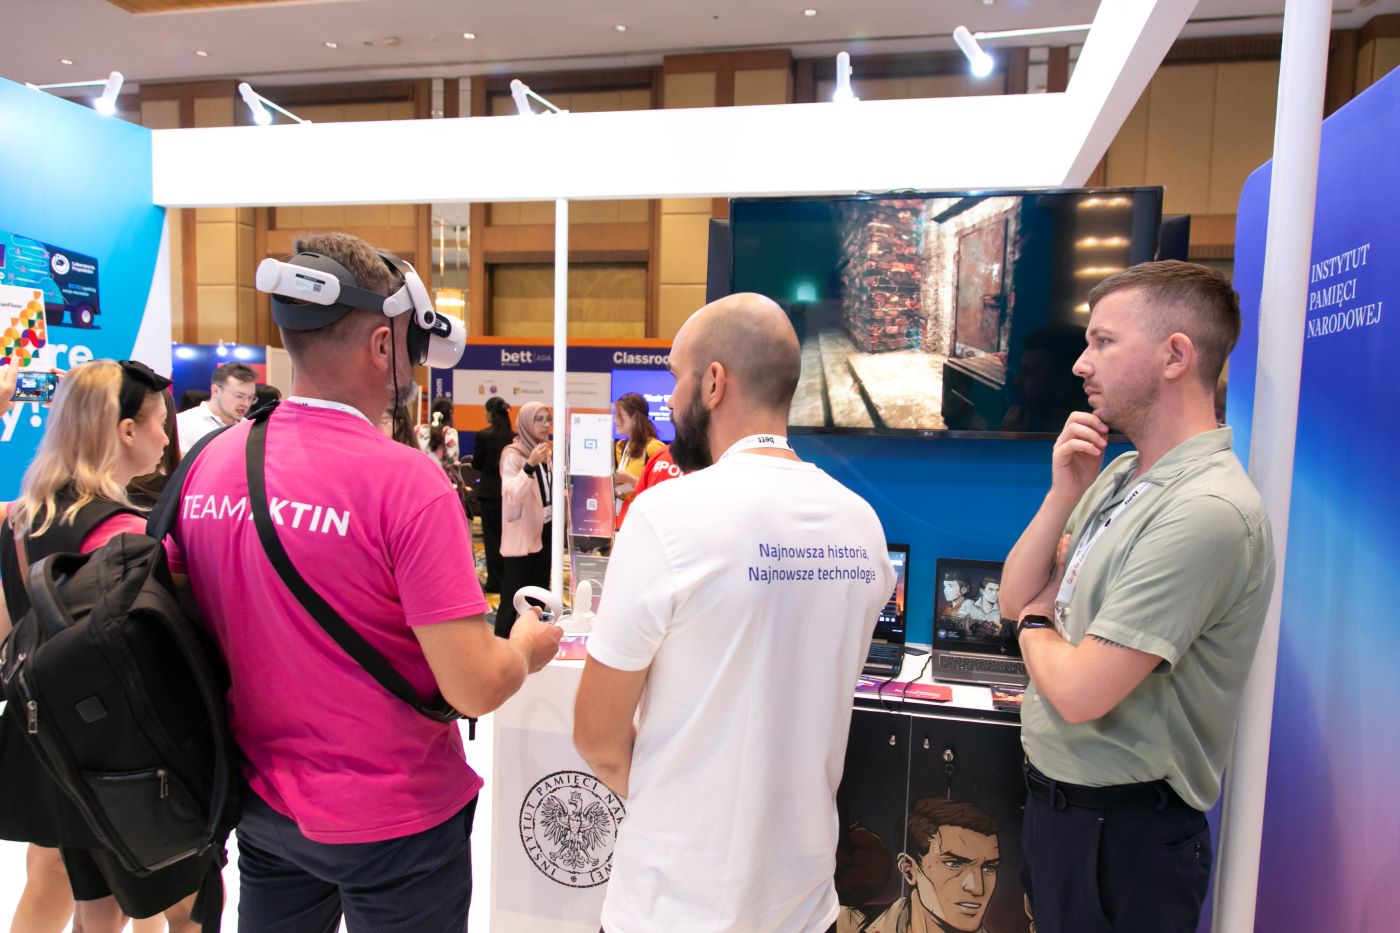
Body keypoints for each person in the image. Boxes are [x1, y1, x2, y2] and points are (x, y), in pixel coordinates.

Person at [166, 231, 562, 932]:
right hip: (398, 823)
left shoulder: (209, 464)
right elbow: (472, 686)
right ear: (383, 345)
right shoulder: (408, 484)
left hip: (263, 809)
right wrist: (525, 648)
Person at [573, 292, 894, 933]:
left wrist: (684, 808)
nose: (670, 400)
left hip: (671, 910)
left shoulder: (666, 517)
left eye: (676, 377)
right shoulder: (862, 525)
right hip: (803, 907)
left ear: (714, 382)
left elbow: (598, 737)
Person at [999, 261, 1275, 933]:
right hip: (1063, 814)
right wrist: (1063, 493)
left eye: (1103, 341)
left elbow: (1080, 690)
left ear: (1175, 355)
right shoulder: (1122, 473)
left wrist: (1035, 622)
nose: (1080, 364)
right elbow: (1013, 593)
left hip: (1123, 839)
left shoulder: (1205, 509)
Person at [0, 360, 203, 933]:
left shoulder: (19, 519)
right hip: (125, 753)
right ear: (126, 430)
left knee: (82, 895)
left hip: (49, 733)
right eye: (160, 422)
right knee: (186, 906)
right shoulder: (125, 536)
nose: (166, 437)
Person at [862, 798, 1002, 933]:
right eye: (953, 864)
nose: (977, 888)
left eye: (988, 868)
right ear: (909, 870)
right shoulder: (854, 924)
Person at [496, 400, 553, 636]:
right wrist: (529, 466)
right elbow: (511, 494)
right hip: (522, 532)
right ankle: (501, 640)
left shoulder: (544, 451)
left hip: (545, 528)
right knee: (513, 594)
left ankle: (533, 638)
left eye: (548, 419)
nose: (545, 425)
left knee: (539, 591)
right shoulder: (514, 454)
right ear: (526, 423)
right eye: (539, 419)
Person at [471, 396, 512, 593]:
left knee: (492, 539)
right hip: (509, 493)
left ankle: (494, 581)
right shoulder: (512, 437)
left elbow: (476, 463)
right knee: (508, 538)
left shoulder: (483, 435)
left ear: (491, 413)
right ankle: (508, 578)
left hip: (489, 494)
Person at [174, 361, 256, 453]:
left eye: (250, 398)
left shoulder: (249, 427)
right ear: (216, 391)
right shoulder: (184, 422)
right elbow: (182, 461)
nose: (246, 403)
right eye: (239, 396)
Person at [611, 391, 665, 529]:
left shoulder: (654, 448)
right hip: (623, 515)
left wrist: (632, 480)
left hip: (644, 518)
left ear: (635, 418)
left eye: (620, 416)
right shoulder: (621, 447)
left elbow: (661, 491)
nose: (615, 420)